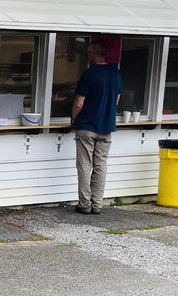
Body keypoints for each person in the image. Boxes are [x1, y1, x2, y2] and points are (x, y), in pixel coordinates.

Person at [71, 40, 122, 215]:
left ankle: (85, 204)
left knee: (85, 165)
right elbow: (116, 100)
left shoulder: (89, 74)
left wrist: (73, 118)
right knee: (100, 166)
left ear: (93, 54)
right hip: (106, 127)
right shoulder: (116, 74)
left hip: (87, 126)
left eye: (88, 54)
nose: (88, 57)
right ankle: (97, 204)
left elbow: (79, 102)